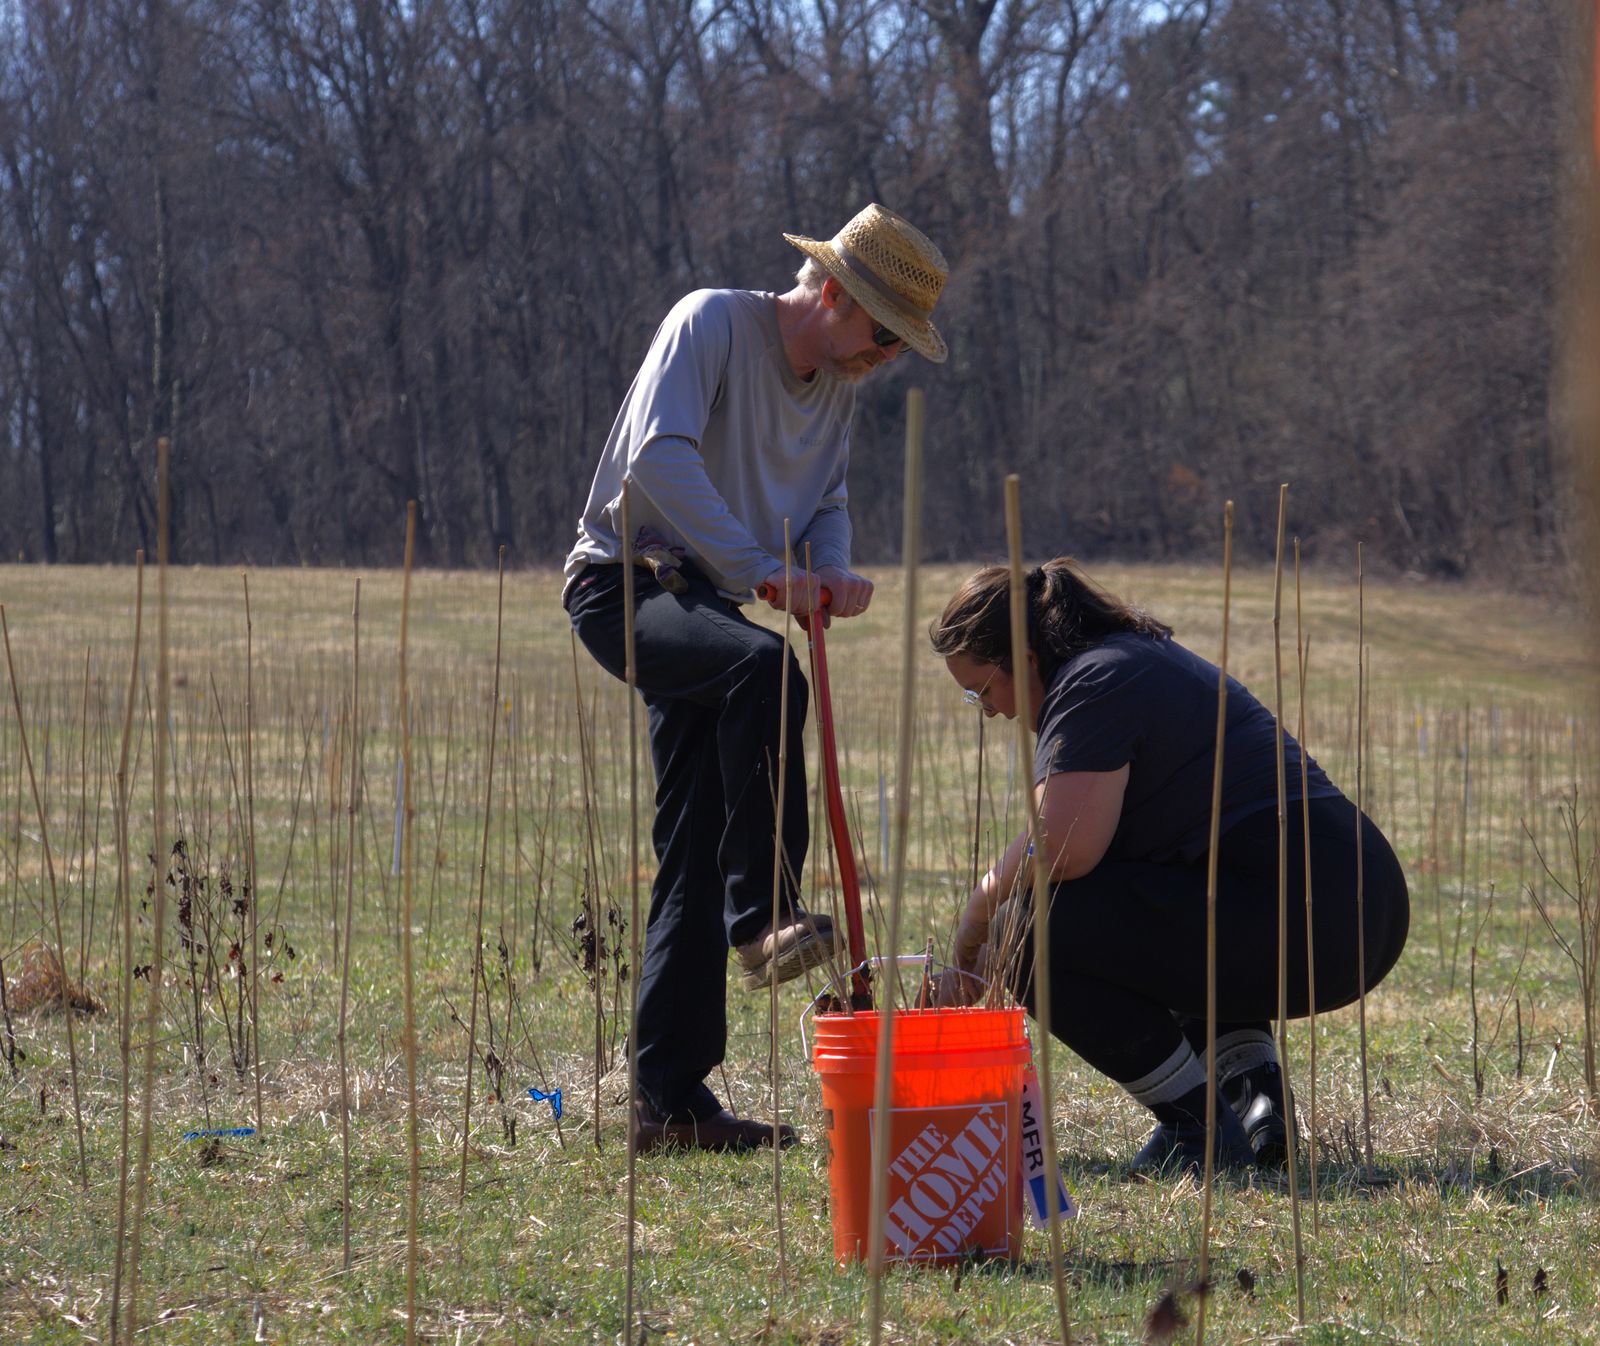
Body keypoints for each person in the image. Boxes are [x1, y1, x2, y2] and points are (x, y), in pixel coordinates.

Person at [563, 204, 951, 1153]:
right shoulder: (712, 322)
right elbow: (659, 461)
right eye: (882, 329)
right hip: (627, 582)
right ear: (831, 293)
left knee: (693, 837)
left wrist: (832, 566)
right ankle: (766, 911)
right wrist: (760, 571)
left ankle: (670, 1102)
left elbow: (825, 499)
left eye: (902, 340)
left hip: (712, 603)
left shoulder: (838, 385)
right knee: (765, 671)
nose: (888, 352)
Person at [931, 559, 1409, 1175]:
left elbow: (1063, 846)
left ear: (1024, 658)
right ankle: (1253, 1095)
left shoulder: (1095, 679)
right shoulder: (1133, 659)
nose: (989, 710)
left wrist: (979, 914)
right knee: (1146, 901)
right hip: (1352, 904)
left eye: (982, 689)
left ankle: (1198, 1131)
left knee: (1033, 927)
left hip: (1310, 911)